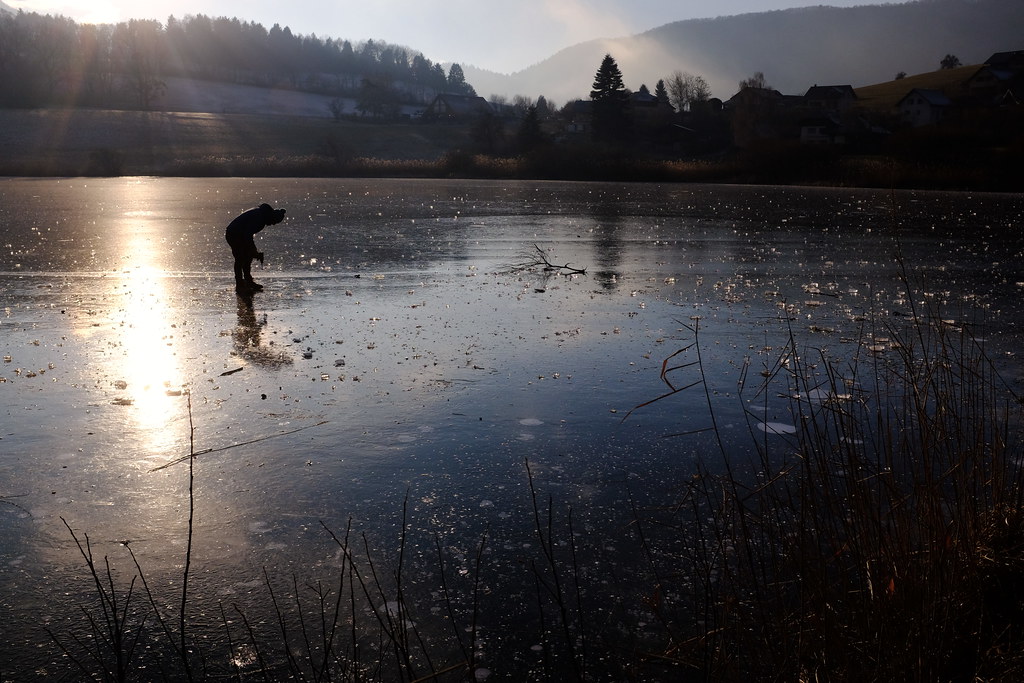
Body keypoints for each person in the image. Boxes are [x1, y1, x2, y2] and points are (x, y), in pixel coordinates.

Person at [225, 203, 286, 292]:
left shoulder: (261, 214)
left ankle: (248, 281)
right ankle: (240, 285)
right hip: (233, 234)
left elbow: (247, 235)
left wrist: (252, 251)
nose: (272, 224)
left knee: (247, 257)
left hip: (239, 234)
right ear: (272, 216)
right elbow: (247, 235)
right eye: (273, 222)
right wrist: (253, 250)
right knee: (240, 258)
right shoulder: (260, 218)